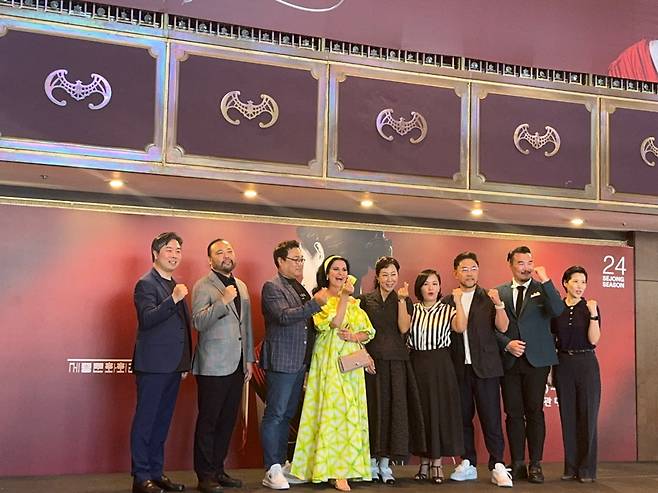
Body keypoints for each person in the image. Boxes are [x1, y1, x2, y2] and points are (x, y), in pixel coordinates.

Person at [290, 256, 376, 491]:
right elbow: (334, 324)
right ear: (327, 274)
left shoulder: (356, 303)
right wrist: (345, 297)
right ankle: (330, 470)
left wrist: (356, 338)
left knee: (350, 413)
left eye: (344, 269)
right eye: (336, 269)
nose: (340, 273)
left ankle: (350, 468)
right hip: (329, 362)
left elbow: (368, 332)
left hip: (351, 365)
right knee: (331, 414)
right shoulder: (321, 298)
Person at [260, 240, 329, 490]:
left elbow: (308, 327)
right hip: (281, 360)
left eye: (302, 259)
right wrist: (315, 304)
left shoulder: (301, 287)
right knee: (275, 414)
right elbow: (283, 316)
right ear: (280, 262)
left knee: (287, 415)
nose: (301, 263)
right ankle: (271, 468)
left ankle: (281, 462)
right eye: (296, 259)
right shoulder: (272, 287)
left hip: (300, 362)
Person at [495, 246, 564, 484]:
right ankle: (517, 462)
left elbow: (558, 310)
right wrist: (507, 344)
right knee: (513, 413)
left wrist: (546, 280)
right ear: (511, 264)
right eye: (521, 263)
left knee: (534, 412)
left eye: (529, 262)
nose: (526, 267)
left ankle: (535, 464)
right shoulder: (499, 291)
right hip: (510, 361)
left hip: (538, 362)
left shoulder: (542, 288)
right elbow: (491, 328)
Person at [191, 239, 255, 493]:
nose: (226, 255)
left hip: (238, 364)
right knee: (209, 421)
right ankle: (205, 475)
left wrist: (249, 358)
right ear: (210, 260)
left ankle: (218, 469)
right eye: (220, 252)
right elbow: (198, 322)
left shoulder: (241, 285)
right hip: (212, 365)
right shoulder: (203, 285)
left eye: (229, 251)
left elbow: (246, 326)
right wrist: (223, 301)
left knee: (227, 421)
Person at [130, 232, 191, 493]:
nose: (175, 254)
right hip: (153, 365)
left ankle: (156, 472)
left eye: (178, 250)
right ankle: (141, 476)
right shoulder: (146, 284)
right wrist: (174, 299)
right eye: (169, 249)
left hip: (174, 366)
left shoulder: (172, 283)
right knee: (146, 421)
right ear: (155, 253)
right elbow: (148, 319)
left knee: (162, 421)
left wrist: (184, 362)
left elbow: (181, 329)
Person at [445, 252, 513, 488]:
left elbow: (503, 327)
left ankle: (498, 464)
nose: (470, 272)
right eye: (464, 269)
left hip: (487, 368)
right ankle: (468, 463)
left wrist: (499, 304)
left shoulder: (489, 297)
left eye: (473, 268)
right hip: (458, 369)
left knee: (491, 418)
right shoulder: (447, 300)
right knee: (463, 419)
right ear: (455, 272)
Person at [357, 256, 425, 484]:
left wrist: (402, 301)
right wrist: (364, 357)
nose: (389, 279)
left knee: (394, 411)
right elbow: (359, 331)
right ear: (377, 276)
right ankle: (370, 462)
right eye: (384, 274)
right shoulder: (365, 300)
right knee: (374, 409)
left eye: (393, 274)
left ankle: (385, 465)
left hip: (397, 362)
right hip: (372, 362)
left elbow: (404, 328)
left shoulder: (403, 299)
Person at [408, 269, 466, 484]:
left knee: (438, 412)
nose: (431, 288)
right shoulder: (412, 310)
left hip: (441, 365)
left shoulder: (447, 309)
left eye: (435, 283)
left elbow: (460, 328)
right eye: (426, 284)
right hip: (417, 363)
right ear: (419, 288)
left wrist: (458, 301)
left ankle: (437, 463)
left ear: (440, 287)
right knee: (421, 412)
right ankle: (423, 462)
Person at [551, 266, 601, 483]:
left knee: (587, 416)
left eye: (583, 282)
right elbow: (552, 341)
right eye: (575, 281)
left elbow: (594, 340)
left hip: (586, 363)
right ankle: (570, 467)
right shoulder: (557, 309)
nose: (580, 286)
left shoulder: (589, 307)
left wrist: (593, 314)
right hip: (563, 363)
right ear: (565, 283)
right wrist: (550, 371)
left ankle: (587, 469)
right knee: (568, 417)